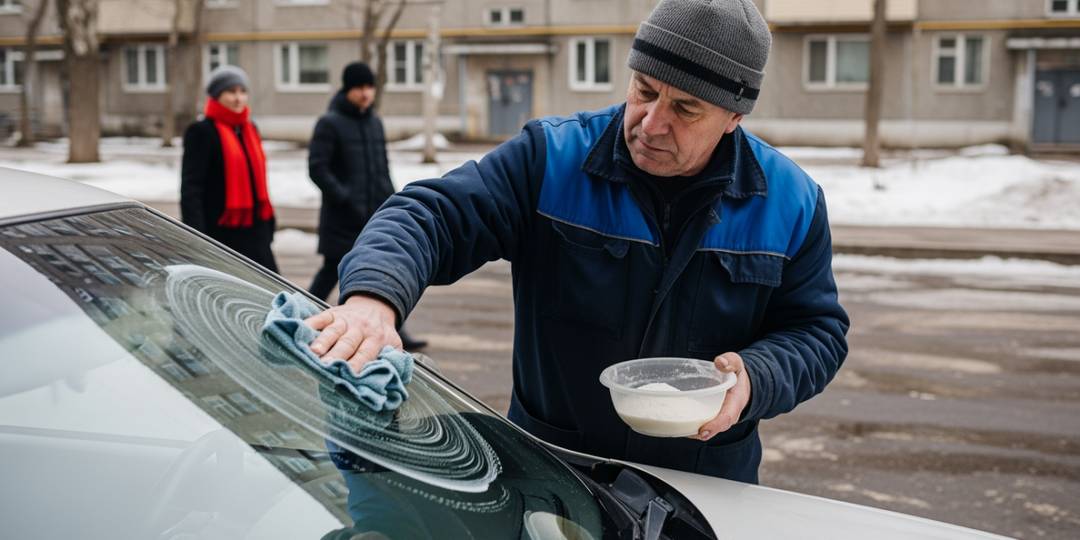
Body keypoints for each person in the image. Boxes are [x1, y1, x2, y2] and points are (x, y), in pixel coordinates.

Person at [304, 0, 849, 484]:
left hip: (707, 489)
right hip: (553, 477)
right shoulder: (552, 160)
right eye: (645, 90)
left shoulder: (791, 202)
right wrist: (373, 301)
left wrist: (757, 378)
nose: (652, 124)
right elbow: (431, 214)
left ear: (734, 115)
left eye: (685, 109)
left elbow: (816, 331)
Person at [308, 61, 426, 350]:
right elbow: (317, 168)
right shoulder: (330, 122)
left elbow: (381, 167)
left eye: (369, 87)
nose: (365, 93)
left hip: (375, 215)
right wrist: (344, 196)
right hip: (342, 217)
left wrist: (394, 200)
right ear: (347, 89)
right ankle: (308, 314)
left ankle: (394, 326)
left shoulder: (375, 122)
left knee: (383, 268)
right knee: (331, 271)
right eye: (359, 87)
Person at [181, 65, 277, 272]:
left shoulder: (249, 129)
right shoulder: (201, 132)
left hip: (256, 233)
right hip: (220, 235)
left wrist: (269, 225)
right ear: (216, 96)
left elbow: (257, 181)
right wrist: (198, 238)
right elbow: (191, 189)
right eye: (231, 92)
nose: (239, 98)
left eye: (242, 91)